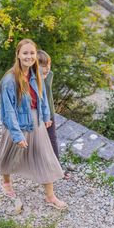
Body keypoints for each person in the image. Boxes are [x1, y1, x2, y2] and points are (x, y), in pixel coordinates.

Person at [0, 38, 68, 210]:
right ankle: (6, 183)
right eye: (25, 53)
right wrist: (17, 134)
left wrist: (46, 116)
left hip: (36, 122)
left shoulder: (35, 74)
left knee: (45, 156)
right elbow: (9, 110)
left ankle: (50, 196)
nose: (29, 56)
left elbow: (42, 97)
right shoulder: (10, 80)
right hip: (18, 124)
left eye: (32, 53)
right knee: (10, 154)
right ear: (18, 54)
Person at [37, 50, 70, 179]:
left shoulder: (49, 75)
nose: (46, 68)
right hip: (37, 115)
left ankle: (57, 168)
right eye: (42, 65)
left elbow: (47, 96)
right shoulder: (31, 79)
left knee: (52, 139)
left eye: (48, 64)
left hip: (49, 112)